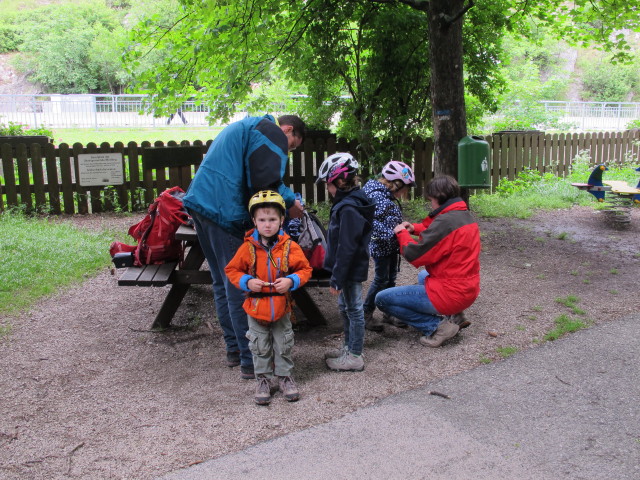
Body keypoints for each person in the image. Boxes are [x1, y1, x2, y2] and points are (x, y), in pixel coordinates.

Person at [183, 114, 306, 380]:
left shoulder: (248, 126)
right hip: (223, 211)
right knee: (240, 284)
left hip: (201, 203)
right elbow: (264, 184)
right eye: (292, 146)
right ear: (288, 130)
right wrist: (290, 202)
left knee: (222, 281)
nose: (288, 151)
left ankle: (235, 350)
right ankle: (251, 360)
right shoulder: (270, 132)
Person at [225, 190, 312, 405]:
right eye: (262, 220)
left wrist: (291, 281)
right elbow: (232, 270)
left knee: (283, 343)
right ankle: (262, 379)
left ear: (282, 219)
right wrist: (247, 281)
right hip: (255, 307)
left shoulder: (290, 247)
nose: (267, 225)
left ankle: (285, 377)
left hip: (282, 307)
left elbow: (305, 269)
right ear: (254, 220)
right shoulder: (247, 248)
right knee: (259, 346)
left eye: (272, 219)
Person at [375, 175, 480, 348]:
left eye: (431, 199)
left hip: (451, 294)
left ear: (438, 198)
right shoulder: (462, 215)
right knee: (424, 274)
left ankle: (437, 327)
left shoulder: (446, 222)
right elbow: (438, 233)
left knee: (382, 299)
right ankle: (457, 315)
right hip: (468, 288)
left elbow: (415, 255)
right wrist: (415, 228)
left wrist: (402, 233)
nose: (430, 203)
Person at [317, 153, 375, 372]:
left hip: (349, 269)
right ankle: (349, 347)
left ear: (339, 181)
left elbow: (347, 246)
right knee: (346, 308)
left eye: (328, 184)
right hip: (346, 268)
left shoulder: (349, 208)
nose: (327, 189)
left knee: (354, 309)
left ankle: (355, 355)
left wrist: (338, 278)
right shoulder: (349, 203)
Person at [361, 160, 416, 332]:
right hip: (381, 245)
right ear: (395, 184)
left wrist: (399, 232)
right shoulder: (375, 195)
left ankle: (388, 312)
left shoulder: (384, 194)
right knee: (381, 279)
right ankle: (366, 313)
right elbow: (371, 223)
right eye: (404, 189)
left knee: (391, 277)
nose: (404, 193)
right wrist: (393, 233)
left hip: (391, 244)